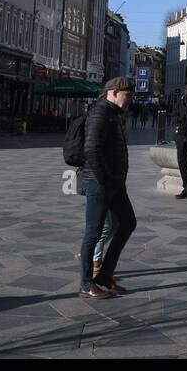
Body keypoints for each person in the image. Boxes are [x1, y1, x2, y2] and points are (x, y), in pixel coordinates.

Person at [79, 77, 138, 299]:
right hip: (99, 182)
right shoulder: (100, 113)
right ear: (113, 92)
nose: (130, 99)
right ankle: (86, 284)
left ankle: (104, 276)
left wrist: (115, 181)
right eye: (127, 95)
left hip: (114, 183)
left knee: (128, 223)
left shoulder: (114, 113)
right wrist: (106, 179)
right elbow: (92, 149)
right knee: (93, 233)